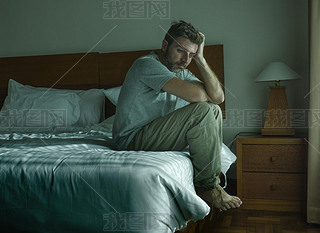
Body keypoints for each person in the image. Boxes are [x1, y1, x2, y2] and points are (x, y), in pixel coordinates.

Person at [113, 20, 242, 211]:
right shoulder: (146, 65)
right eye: (181, 50)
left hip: (155, 136)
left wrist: (201, 59)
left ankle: (209, 185)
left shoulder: (181, 71)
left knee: (212, 109)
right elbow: (198, 96)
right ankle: (207, 186)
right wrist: (202, 93)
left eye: (191, 55)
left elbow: (218, 97)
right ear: (165, 45)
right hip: (131, 140)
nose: (185, 59)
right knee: (205, 110)